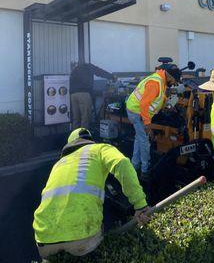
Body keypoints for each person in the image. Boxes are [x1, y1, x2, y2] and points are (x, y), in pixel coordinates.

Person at [33, 128, 150, 260]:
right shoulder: (100, 149)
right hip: (81, 236)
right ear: (89, 140)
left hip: (43, 238)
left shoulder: (59, 164)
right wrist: (140, 205)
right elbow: (122, 163)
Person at [126, 64, 181, 179]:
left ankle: (134, 165)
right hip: (137, 112)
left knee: (139, 139)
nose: (174, 84)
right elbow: (144, 104)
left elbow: (159, 96)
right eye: (174, 81)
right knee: (145, 141)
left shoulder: (160, 80)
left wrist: (167, 103)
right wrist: (147, 124)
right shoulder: (155, 83)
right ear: (170, 77)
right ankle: (145, 171)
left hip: (137, 111)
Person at [70, 62, 114, 129]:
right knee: (85, 118)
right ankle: (83, 137)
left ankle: (75, 137)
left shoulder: (75, 70)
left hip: (73, 95)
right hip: (84, 95)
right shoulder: (88, 66)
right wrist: (111, 76)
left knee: (76, 119)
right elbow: (99, 72)